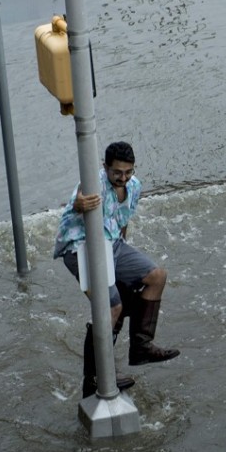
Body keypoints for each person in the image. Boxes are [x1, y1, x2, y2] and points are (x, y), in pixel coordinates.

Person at [53, 141, 180, 398]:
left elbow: (123, 221)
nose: (123, 178)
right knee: (111, 307)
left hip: (113, 244)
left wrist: (123, 264)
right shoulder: (94, 183)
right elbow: (77, 202)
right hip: (81, 248)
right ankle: (95, 378)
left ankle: (141, 347)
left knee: (156, 276)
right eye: (117, 173)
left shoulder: (134, 186)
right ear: (105, 168)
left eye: (128, 172)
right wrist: (80, 204)